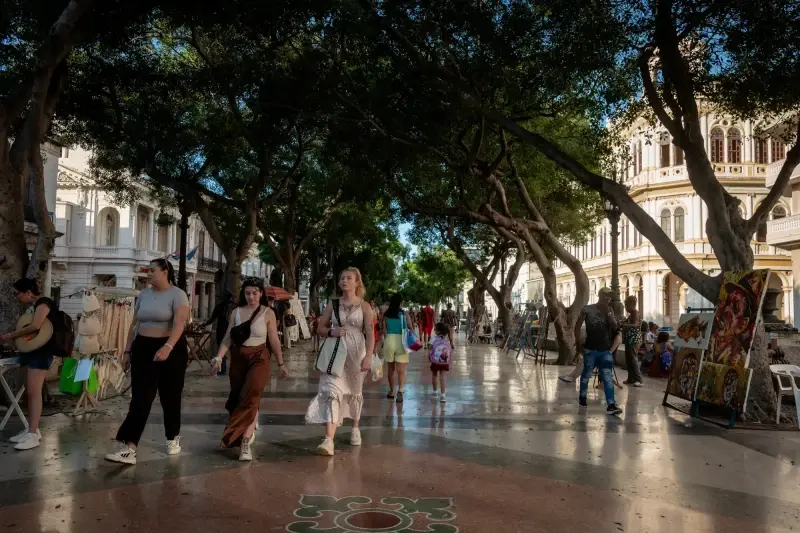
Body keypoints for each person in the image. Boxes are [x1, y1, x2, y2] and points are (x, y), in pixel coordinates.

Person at [105, 258, 191, 465]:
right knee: (140, 398)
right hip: (143, 347)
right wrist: (127, 352)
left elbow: (180, 324)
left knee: (170, 397)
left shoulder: (178, 295)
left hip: (171, 348)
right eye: (147, 270)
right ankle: (130, 447)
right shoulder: (142, 294)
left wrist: (168, 347)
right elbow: (134, 325)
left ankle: (172, 437)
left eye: (152, 270)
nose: (148, 274)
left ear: (165, 272)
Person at [212, 278, 289, 461]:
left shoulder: (268, 313)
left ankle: (244, 442)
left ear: (261, 293)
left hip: (260, 357)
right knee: (239, 397)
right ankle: (245, 429)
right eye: (247, 293)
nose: (251, 297)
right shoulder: (236, 312)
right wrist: (219, 357)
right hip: (239, 358)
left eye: (255, 293)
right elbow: (227, 338)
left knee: (252, 394)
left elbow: (274, 341)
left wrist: (281, 363)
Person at [305, 267, 375, 456]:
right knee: (332, 392)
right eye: (342, 278)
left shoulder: (365, 306)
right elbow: (320, 327)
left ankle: (355, 427)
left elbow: (370, 333)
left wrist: (369, 355)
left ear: (357, 283)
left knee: (354, 391)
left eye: (348, 278)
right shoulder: (333, 304)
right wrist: (330, 331)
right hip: (335, 352)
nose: (344, 281)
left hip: (356, 353)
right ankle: (329, 440)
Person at [0, 279, 58, 450]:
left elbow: (35, 325)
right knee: (29, 391)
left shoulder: (43, 303)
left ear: (27, 292)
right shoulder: (31, 307)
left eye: (17, 293)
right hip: (31, 351)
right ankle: (32, 430)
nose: (16, 297)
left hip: (41, 352)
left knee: (34, 391)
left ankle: (33, 434)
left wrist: (10, 335)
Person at [574, 287, 623, 416]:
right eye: (605, 295)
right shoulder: (587, 309)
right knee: (586, 376)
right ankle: (582, 398)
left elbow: (615, 327)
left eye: (610, 296)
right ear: (599, 295)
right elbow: (578, 325)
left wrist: (608, 314)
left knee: (607, 377)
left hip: (605, 351)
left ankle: (611, 405)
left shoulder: (610, 310)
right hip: (590, 349)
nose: (608, 298)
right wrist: (578, 342)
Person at [381, 293, 412, 403]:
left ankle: (392, 391)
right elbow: (411, 328)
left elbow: (383, 330)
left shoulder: (386, 314)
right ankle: (401, 390)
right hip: (402, 342)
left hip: (389, 340)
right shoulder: (405, 314)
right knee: (401, 370)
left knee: (391, 369)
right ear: (400, 303)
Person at [203, 291, 233, 376]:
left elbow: (212, 319)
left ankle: (222, 370)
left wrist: (204, 325)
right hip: (231, 329)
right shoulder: (233, 307)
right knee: (232, 350)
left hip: (222, 329)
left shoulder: (220, 307)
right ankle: (233, 369)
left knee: (221, 348)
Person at [621, 295, 644, 387]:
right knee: (629, 359)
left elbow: (635, 325)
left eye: (626, 305)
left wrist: (624, 325)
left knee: (633, 358)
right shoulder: (632, 313)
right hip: (629, 339)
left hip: (634, 339)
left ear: (631, 304)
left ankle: (639, 379)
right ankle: (630, 378)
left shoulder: (635, 312)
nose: (626, 308)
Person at [429, 322, 453, 402]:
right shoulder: (446, 340)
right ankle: (443, 395)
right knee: (442, 377)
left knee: (434, 375)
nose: (434, 330)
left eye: (435, 329)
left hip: (435, 361)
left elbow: (429, 347)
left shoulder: (433, 338)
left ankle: (435, 392)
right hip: (444, 361)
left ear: (438, 331)